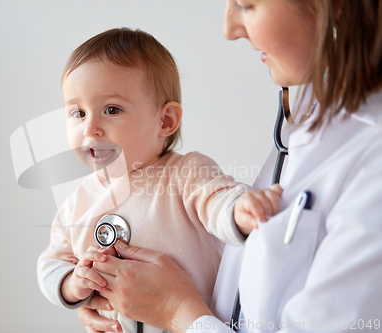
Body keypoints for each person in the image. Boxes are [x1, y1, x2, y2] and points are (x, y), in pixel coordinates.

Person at [78, 1, 382, 332]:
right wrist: (97, 290)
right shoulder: (305, 123)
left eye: (246, 4)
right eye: (77, 113)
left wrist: (174, 310)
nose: (229, 29)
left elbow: (224, 208)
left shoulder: (370, 157)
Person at [37, 27, 283, 333]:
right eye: (78, 113)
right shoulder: (78, 201)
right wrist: (72, 286)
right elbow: (51, 264)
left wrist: (241, 210)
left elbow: (218, 200)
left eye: (111, 109)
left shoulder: (186, 173)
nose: (90, 128)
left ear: (165, 121)